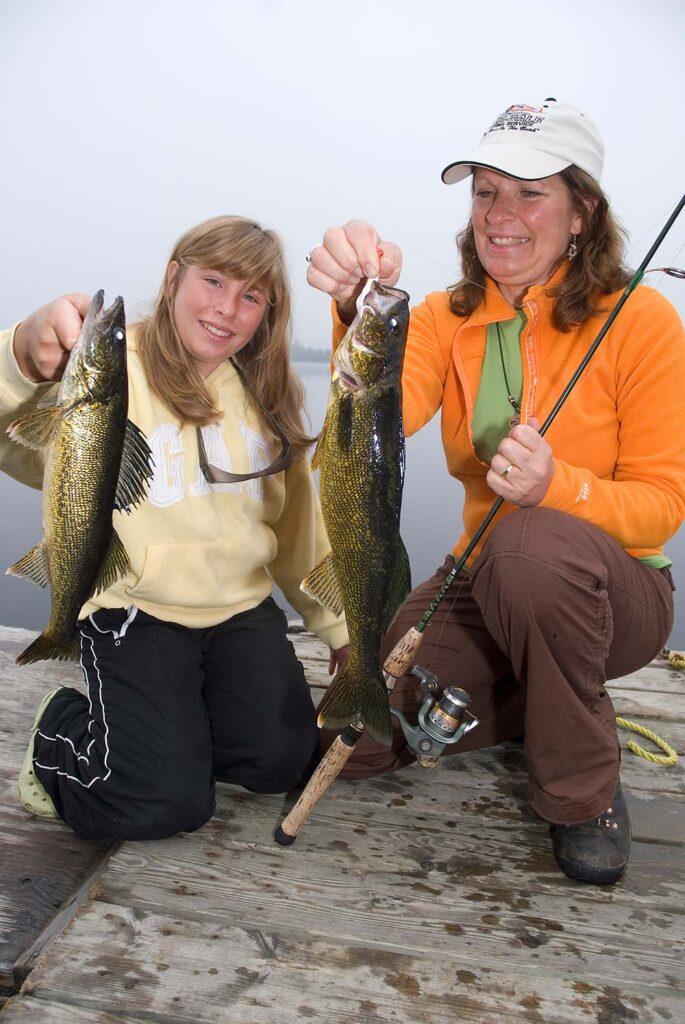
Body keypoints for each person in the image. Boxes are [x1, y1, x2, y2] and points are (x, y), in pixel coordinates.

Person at [306, 99, 685, 885]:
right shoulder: (443, 318)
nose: (498, 213)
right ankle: (525, 698)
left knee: (526, 539)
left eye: (529, 192)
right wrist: (352, 306)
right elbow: (382, 412)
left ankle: (581, 792)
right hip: (479, 581)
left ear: (581, 212)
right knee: (357, 742)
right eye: (484, 191)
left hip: (617, 593)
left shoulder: (642, 320)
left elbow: (661, 503)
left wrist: (559, 486)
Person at [0, 215, 349, 841]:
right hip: (134, 608)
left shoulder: (272, 395)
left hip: (237, 609)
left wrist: (344, 634)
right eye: (213, 281)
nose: (227, 308)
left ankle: (173, 731)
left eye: (251, 296)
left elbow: (301, 536)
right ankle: (58, 733)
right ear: (172, 278)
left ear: (268, 313)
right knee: (157, 805)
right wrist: (23, 355)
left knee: (280, 762)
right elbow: (12, 437)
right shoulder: (109, 370)